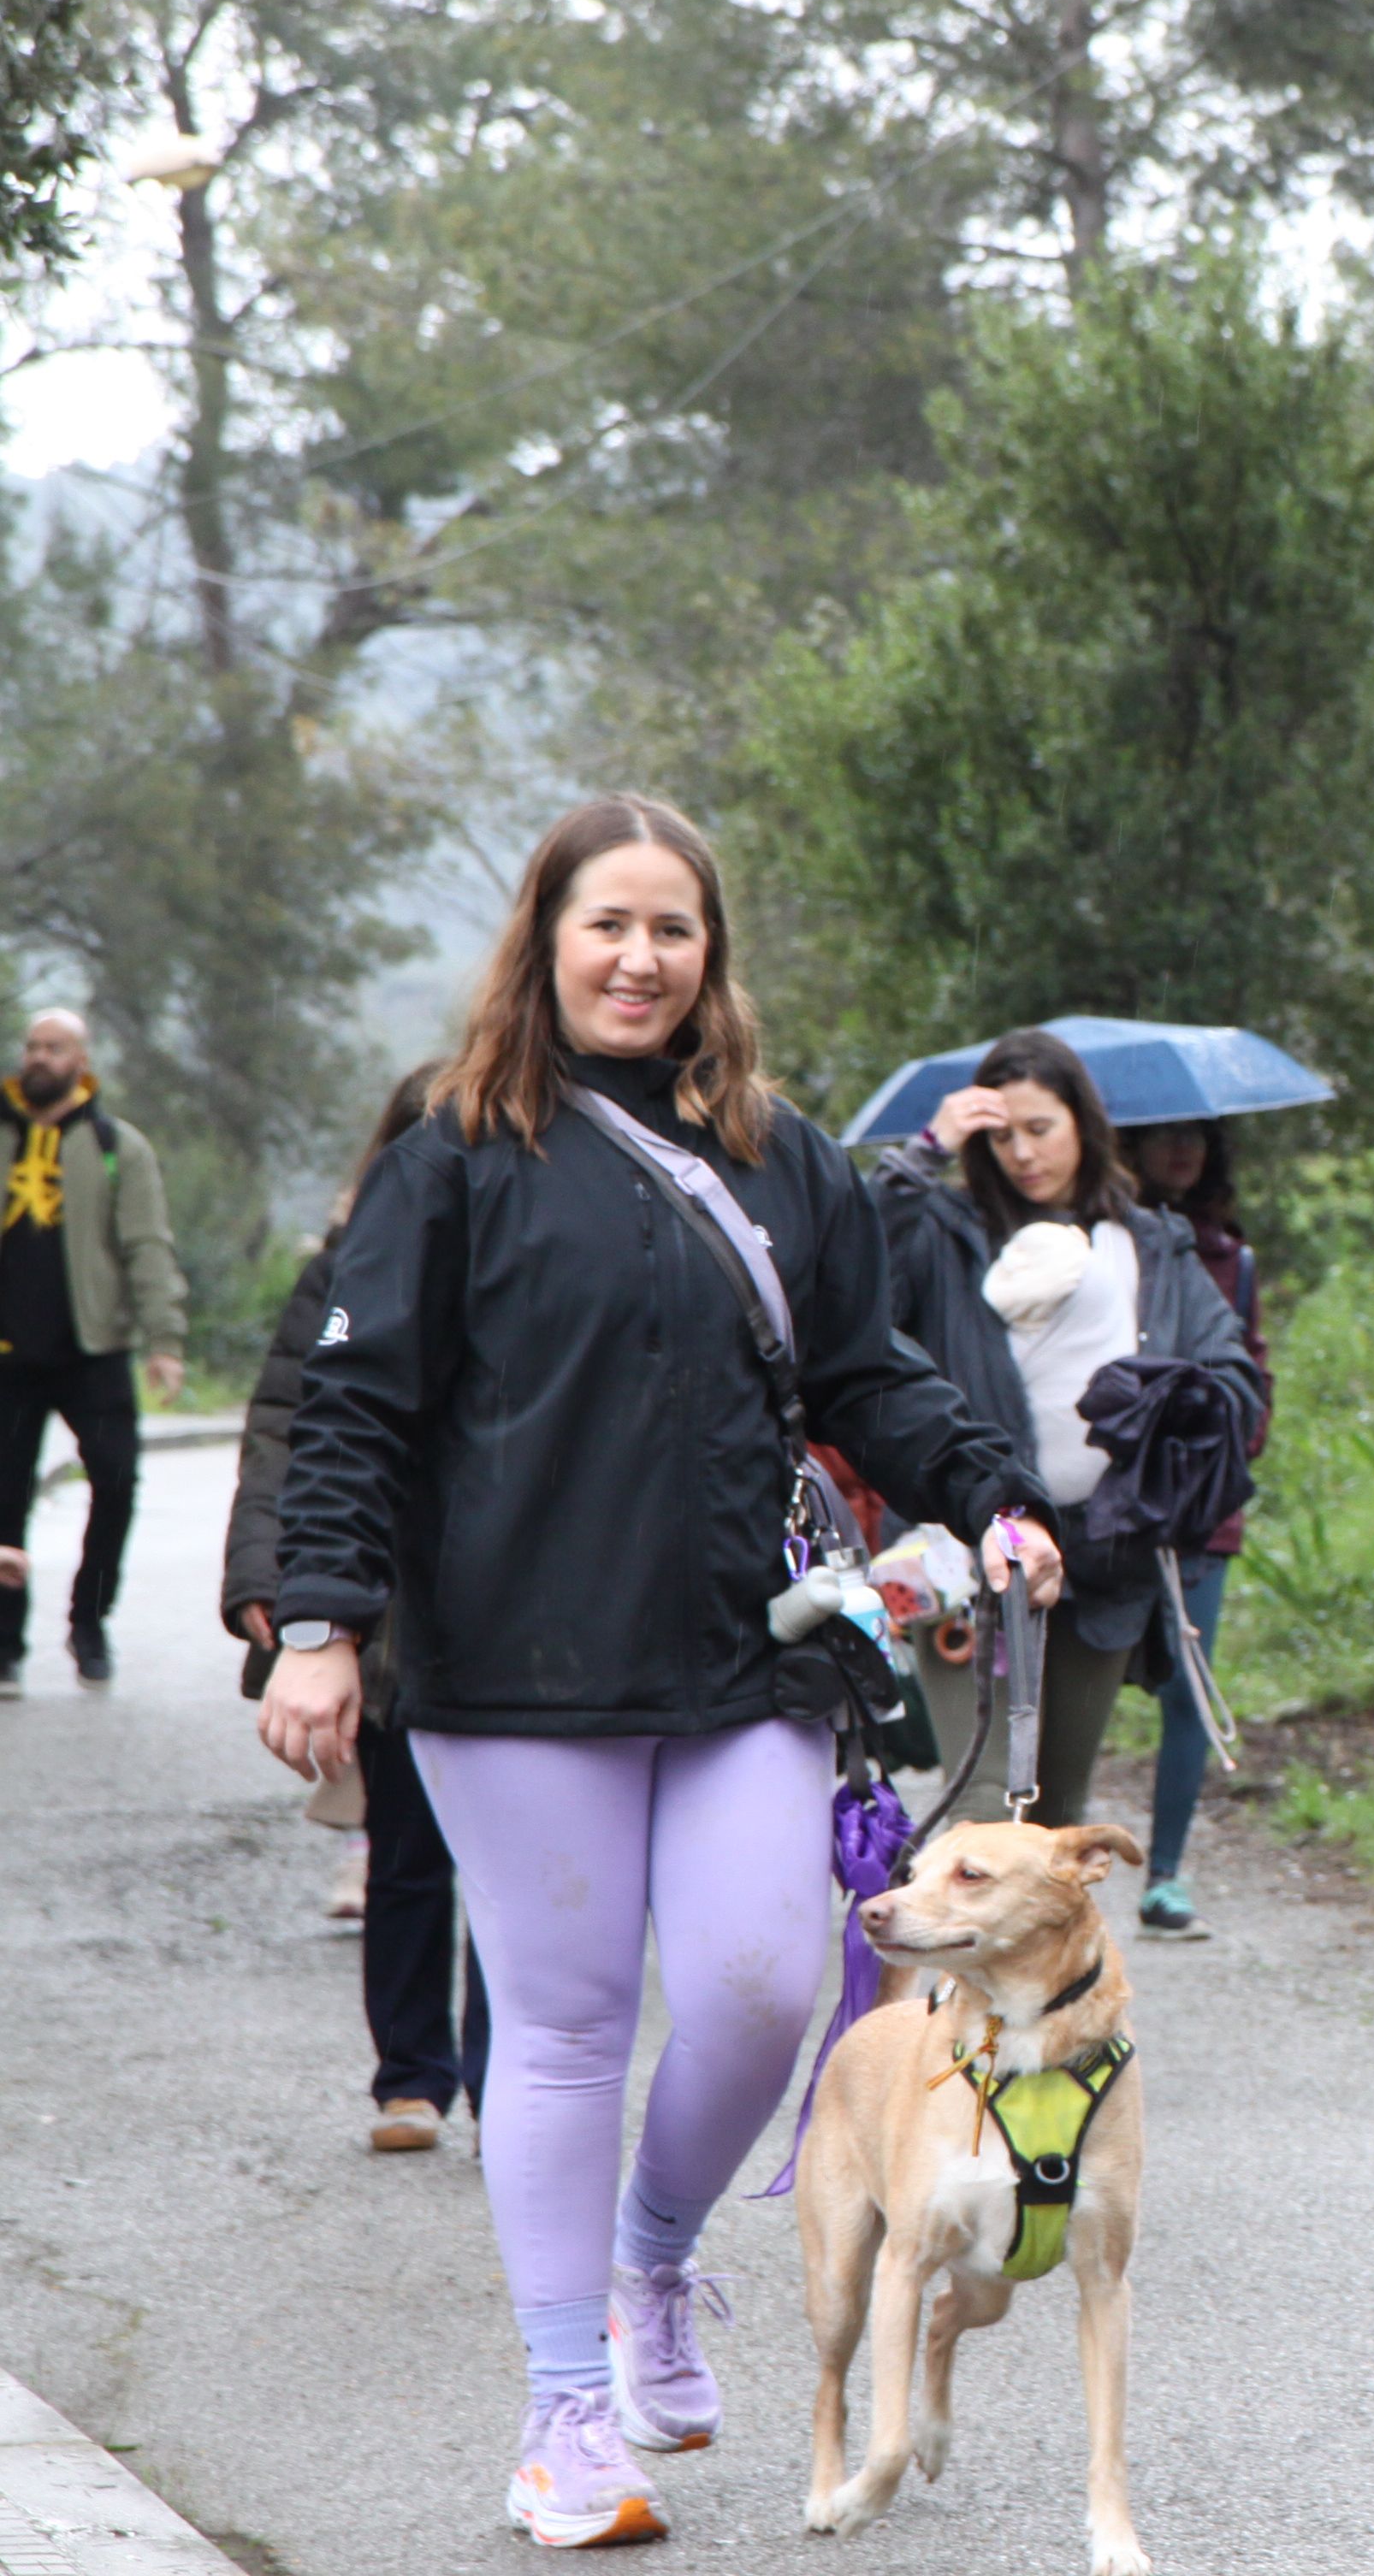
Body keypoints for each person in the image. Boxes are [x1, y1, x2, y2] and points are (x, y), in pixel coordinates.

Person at [256, 795, 1064, 2549]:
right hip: (511, 1663)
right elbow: (353, 1402)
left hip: (739, 1646)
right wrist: (320, 1622)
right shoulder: (454, 1158)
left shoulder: (782, 1156)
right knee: (563, 2023)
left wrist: (993, 1495)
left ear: (713, 953)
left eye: (672, 928)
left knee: (766, 1985)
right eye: (607, 924)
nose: (640, 958)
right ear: (545, 941)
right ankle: (563, 2414)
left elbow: (870, 1372)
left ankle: (654, 2257)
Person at [871, 1031, 1259, 1829]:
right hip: (966, 1553)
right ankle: (955, 1920)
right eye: (1001, 1136)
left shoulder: (1151, 1242)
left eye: (1040, 1129)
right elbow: (851, 1277)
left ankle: (1034, 1926)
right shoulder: (945, 1232)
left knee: (1054, 1819)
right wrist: (925, 1152)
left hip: (1105, 1555)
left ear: (1084, 1123)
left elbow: (1230, 1371)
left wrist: (1177, 1410)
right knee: (984, 1811)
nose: (1022, 1154)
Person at [222, 1062, 491, 2154]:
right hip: (384, 1610)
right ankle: (412, 2080)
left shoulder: (538, 1254)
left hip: (509, 1607)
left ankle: (510, 2081)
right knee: (410, 1855)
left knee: (520, 1867)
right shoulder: (343, 1267)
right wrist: (266, 1578)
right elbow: (284, 1426)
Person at [0, 1007, 187, 1693]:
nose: (39, 1057)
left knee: (116, 1482)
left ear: (81, 1060)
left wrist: (164, 1340)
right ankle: (4, 1643)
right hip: (8, 1360)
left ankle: (90, 1621)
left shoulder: (116, 1145)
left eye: (54, 1048)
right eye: (32, 1046)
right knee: (4, 1499)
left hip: (93, 1351)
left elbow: (147, 1246)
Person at [1122, 1115, 1271, 1938]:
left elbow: (1254, 1372)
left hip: (1200, 1512)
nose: (1183, 1150)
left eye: (1197, 1136)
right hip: (1106, 1505)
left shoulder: (1230, 1259)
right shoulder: (1096, 1243)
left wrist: (1224, 1447)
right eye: (1165, 1135)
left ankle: (1165, 1876)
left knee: (1189, 1686)